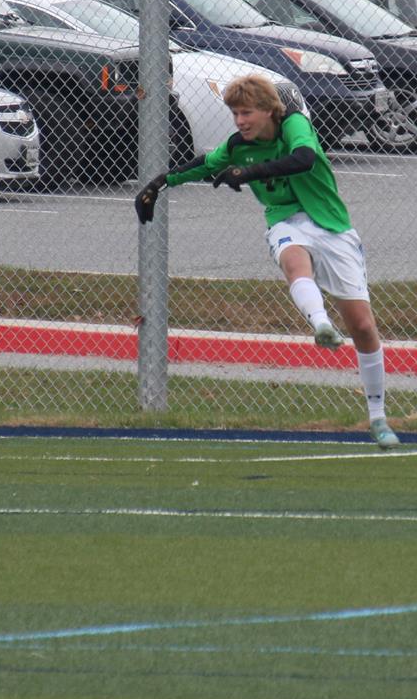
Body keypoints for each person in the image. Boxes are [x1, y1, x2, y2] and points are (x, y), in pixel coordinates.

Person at [134, 74, 398, 448]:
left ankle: (378, 417)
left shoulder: (294, 125)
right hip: (285, 221)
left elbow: (304, 158)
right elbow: (204, 165)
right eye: (235, 114)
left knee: (364, 326)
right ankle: (322, 325)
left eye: (246, 113)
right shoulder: (238, 145)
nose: (240, 122)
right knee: (294, 260)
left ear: (269, 111)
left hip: (332, 226)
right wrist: (157, 185)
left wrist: (251, 171)